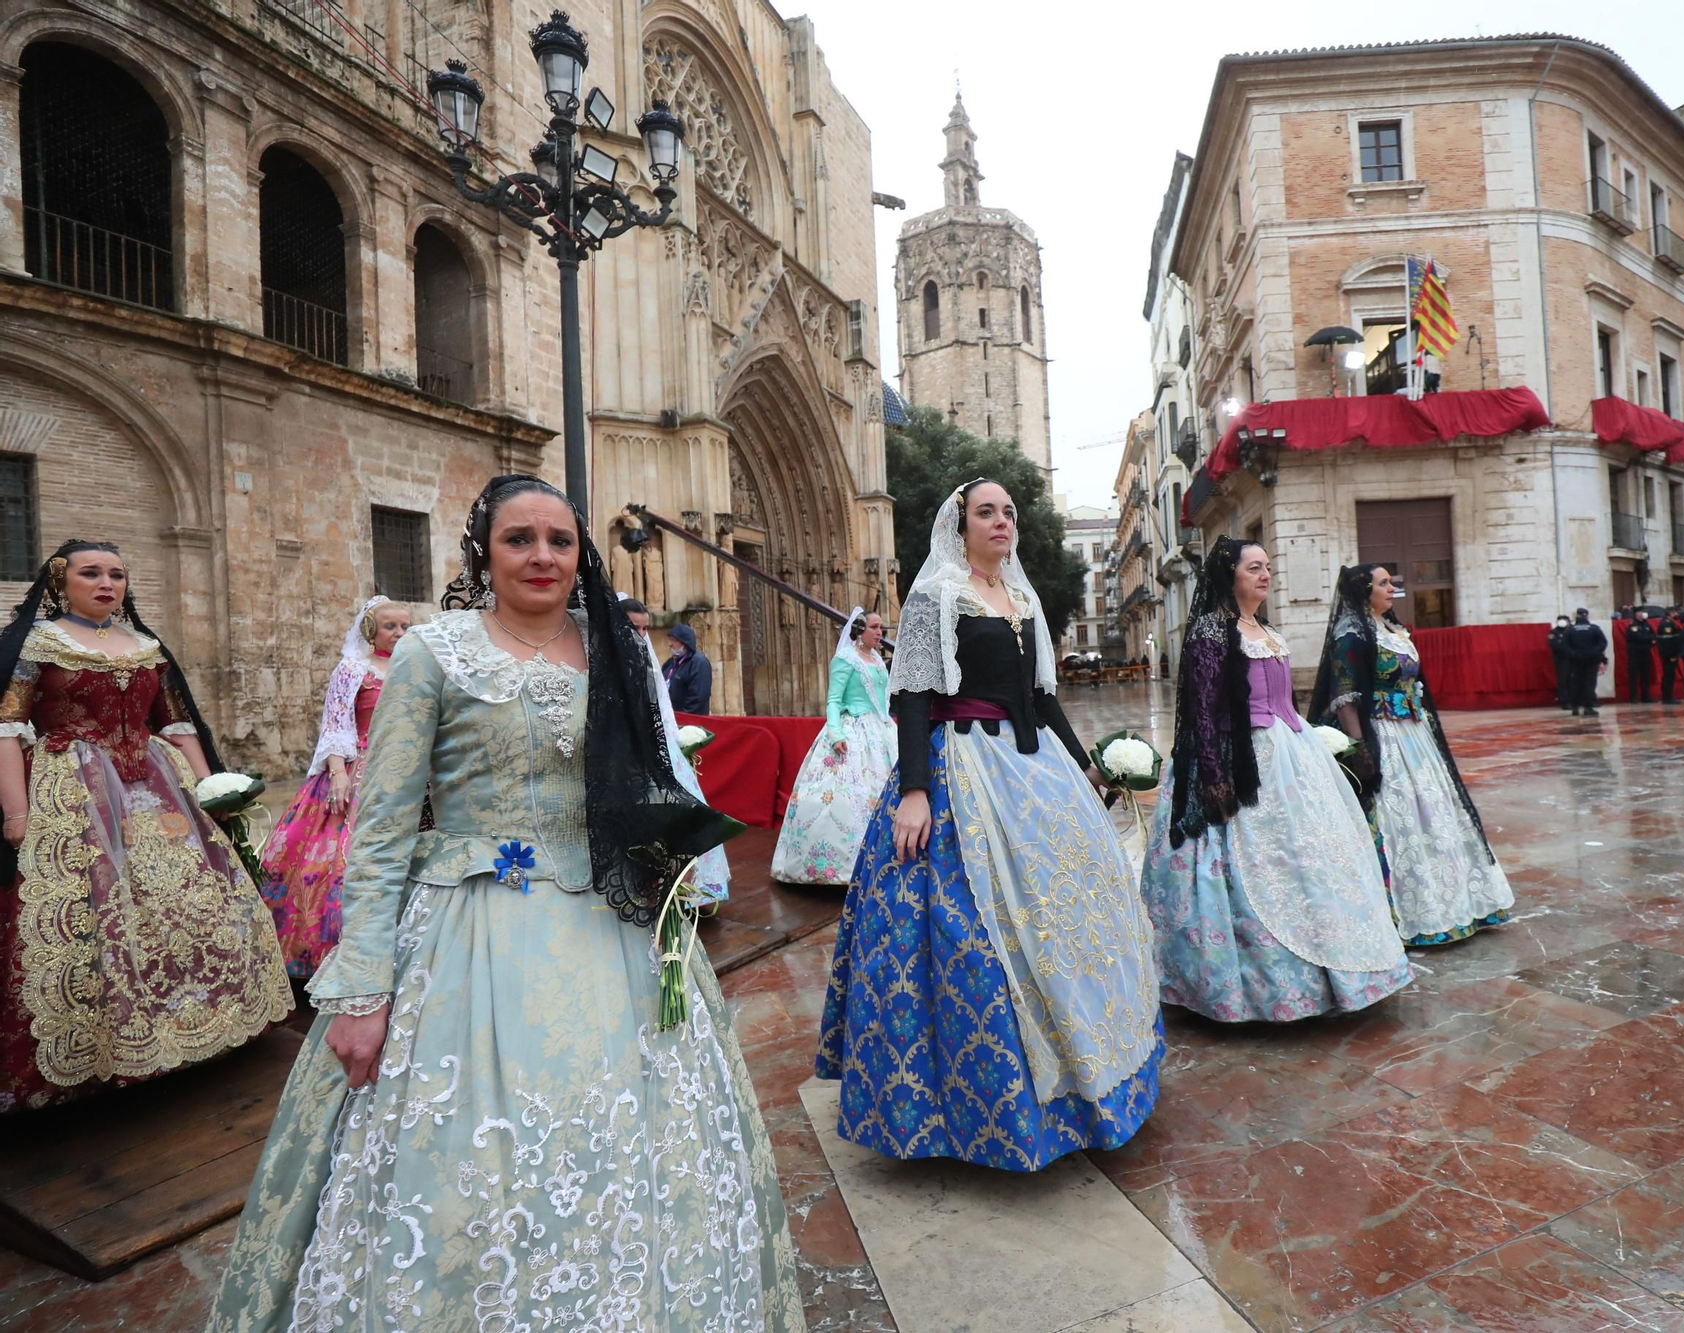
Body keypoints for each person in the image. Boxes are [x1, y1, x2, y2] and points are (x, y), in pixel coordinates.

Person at [205, 476, 803, 1330]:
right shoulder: (434, 652)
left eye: (560, 540)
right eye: (520, 538)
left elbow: (654, 781)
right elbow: (381, 831)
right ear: (484, 549)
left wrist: (675, 883)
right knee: (479, 1168)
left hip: (613, 934)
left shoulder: (617, 651)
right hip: (470, 935)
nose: (543, 556)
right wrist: (364, 987)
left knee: (629, 1155)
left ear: (580, 553)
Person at [815, 479, 1161, 1169]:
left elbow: (1041, 696)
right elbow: (912, 694)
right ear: (960, 524)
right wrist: (915, 790)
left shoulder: (1024, 598)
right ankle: (967, 1110)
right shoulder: (936, 595)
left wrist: (1087, 768)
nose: (1001, 521)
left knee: (1070, 913)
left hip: (1032, 769)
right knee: (972, 930)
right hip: (960, 766)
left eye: (1007, 512)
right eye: (986, 512)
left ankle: (1091, 1076)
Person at [0, 541, 290, 1113]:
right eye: (91, 573)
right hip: (74, 792)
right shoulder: (36, 644)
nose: (106, 583)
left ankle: (200, 1026)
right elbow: (5, 730)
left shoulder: (147, 646)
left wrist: (213, 794)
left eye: (116, 574)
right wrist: (16, 814)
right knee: (94, 910)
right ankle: (99, 1052)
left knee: (191, 906)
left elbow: (178, 725)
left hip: (161, 791)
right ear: (61, 582)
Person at [1140, 539, 1411, 1023]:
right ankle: (1249, 988)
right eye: (1254, 568)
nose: (1265, 575)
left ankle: (1339, 972)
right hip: (1240, 758)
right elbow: (1202, 711)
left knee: (1315, 859)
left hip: (1293, 753)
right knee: (1250, 870)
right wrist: (1215, 776)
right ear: (1231, 575)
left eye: (1268, 567)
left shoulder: (1266, 631)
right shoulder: (1211, 631)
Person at [1308, 564, 1514, 946]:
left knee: (1434, 809)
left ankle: (1457, 902)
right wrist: (1360, 746)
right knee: (1398, 814)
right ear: (1363, 590)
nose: (1391, 588)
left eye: (1391, 582)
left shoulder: (1395, 631)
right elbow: (1345, 696)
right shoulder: (1351, 634)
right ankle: (1401, 910)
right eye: (1383, 583)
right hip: (1382, 734)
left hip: (1414, 735)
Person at [258, 596, 411, 980]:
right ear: (371, 629)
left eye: (406, 627)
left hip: (409, 770)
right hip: (361, 768)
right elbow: (336, 723)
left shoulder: (413, 666)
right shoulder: (353, 669)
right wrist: (339, 773)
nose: (399, 634)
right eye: (391, 626)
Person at [771, 608, 894, 885]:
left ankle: (883, 861)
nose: (879, 633)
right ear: (859, 631)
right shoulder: (845, 659)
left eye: (880, 628)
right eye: (874, 627)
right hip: (852, 730)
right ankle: (840, 868)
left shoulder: (875, 658)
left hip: (879, 730)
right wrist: (836, 733)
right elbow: (834, 700)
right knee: (841, 797)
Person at [620, 597, 730, 905]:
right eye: (634, 627)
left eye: (645, 628)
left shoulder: (691, 663)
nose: (642, 636)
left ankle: (683, 888)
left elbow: (668, 702)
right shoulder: (664, 664)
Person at [1562, 609, 1608, 716]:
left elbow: (1564, 646)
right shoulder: (1594, 629)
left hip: (1575, 661)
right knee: (1589, 684)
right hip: (1591, 661)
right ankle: (1588, 707)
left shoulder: (1570, 630)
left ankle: (1575, 707)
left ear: (1576, 617)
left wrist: (1574, 654)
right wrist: (1593, 653)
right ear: (1587, 616)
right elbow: (1603, 643)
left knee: (1575, 683)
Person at [664, 620, 712, 715]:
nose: (670, 644)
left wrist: (683, 718)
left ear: (685, 642)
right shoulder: (670, 663)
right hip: (671, 720)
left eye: (673, 640)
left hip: (690, 723)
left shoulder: (699, 663)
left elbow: (698, 698)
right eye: (669, 640)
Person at [1625, 609, 1657, 704]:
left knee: (1645, 675)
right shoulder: (1633, 625)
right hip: (1635, 654)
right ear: (1636, 614)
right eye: (1641, 612)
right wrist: (1649, 639)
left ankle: (1645, 696)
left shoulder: (1647, 624)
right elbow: (1638, 637)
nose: (1643, 614)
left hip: (1646, 653)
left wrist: (1650, 639)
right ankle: (1634, 697)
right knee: (1633, 676)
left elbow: (1654, 635)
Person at [1656, 607, 1684, 705]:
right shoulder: (1666, 624)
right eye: (1674, 612)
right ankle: (1667, 697)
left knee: (1670, 675)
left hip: (1670, 653)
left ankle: (1668, 696)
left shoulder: (1669, 623)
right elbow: (1667, 641)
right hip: (1669, 654)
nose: (1676, 614)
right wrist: (1672, 653)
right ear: (1670, 613)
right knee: (1669, 674)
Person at [1547, 615, 1572, 710]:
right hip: (1561, 660)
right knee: (1563, 681)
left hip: (1573, 659)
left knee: (1573, 681)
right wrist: (1566, 649)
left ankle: (1575, 700)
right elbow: (1553, 644)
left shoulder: (1571, 630)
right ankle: (1564, 701)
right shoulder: (1553, 632)